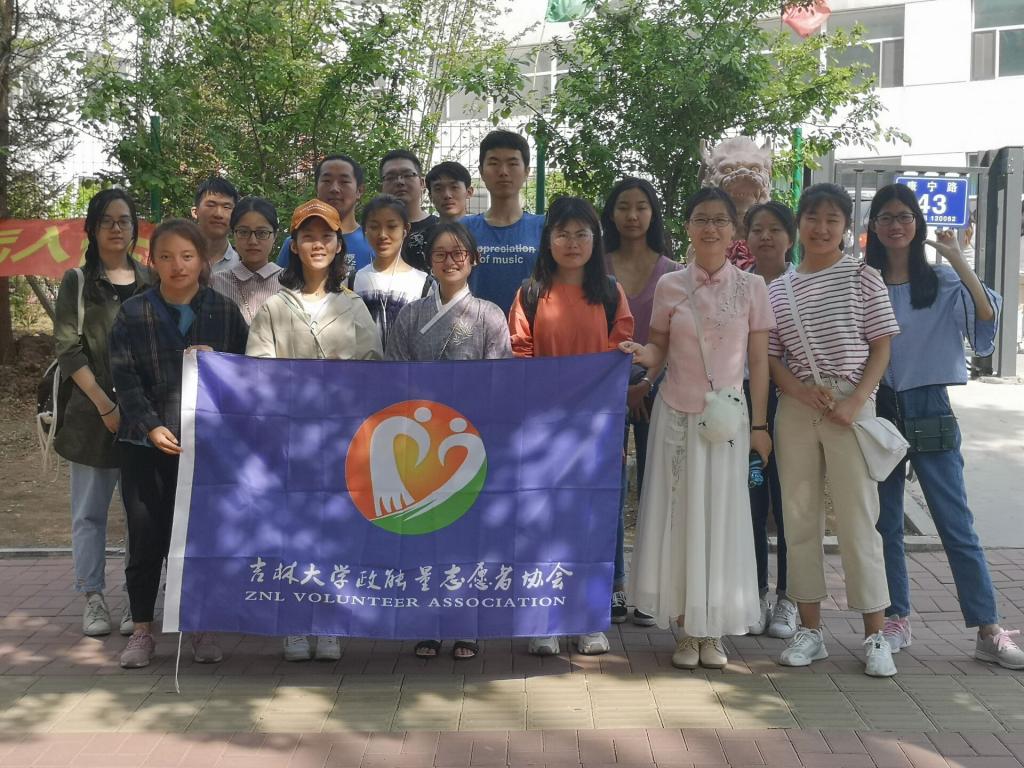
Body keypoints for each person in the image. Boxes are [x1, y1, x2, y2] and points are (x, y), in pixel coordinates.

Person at [866, 183, 1022, 670]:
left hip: (930, 403)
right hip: (878, 407)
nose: (896, 225)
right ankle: (896, 617)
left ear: (917, 224)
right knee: (885, 522)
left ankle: (988, 628)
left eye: (904, 216)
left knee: (956, 523)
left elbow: (985, 318)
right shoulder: (863, 281)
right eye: (886, 217)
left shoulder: (941, 279)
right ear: (874, 226)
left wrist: (958, 259)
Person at [622, 188, 773, 670]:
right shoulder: (669, 285)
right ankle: (688, 630)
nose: (710, 228)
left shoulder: (752, 288)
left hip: (727, 420)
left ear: (734, 231)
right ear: (687, 226)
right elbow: (659, 349)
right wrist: (640, 355)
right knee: (680, 517)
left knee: (723, 517)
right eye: (701, 219)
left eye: (720, 220)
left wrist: (760, 424)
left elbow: (759, 364)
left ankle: (714, 631)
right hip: (675, 416)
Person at [766, 183, 900, 677]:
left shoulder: (863, 276)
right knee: (799, 521)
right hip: (796, 408)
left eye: (832, 220)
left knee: (858, 520)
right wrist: (800, 392)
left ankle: (875, 635)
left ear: (846, 227)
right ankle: (810, 631)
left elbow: (881, 345)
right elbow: (771, 357)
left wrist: (857, 401)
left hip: (851, 405)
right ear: (799, 223)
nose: (821, 228)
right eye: (813, 218)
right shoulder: (777, 289)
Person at [110, 219, 248, 669]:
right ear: (152, 261)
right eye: (166, 257)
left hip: (206, 446)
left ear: (203, 260)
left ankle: (199, 625)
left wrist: (220, 363)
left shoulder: (224, 312)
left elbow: (246, 374)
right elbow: (124, 379)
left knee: (199, 536)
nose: (177, 265)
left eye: (187, 256)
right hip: (144, 445)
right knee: (146, 537)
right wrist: (150, 426)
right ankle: (142, 630)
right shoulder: (133, 313)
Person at [248, 201, 381, 662]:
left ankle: (329, 623)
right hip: (291, 440)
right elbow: (259, 372)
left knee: (335, 531)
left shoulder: (354, 305)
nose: (317, 244)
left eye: (326, 236)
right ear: (294, 244)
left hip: (342, 439)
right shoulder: (274, 307)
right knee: (292, 530)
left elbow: (374, 368)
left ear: (339, 244)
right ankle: (293, 623)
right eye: (308, 236)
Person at [509, 196, 634, 657]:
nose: (573, 242)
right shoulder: (530, 294)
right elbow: (519, 354)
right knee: (540, 524)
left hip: (596, 433)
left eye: (582, 233)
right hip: (541, 433)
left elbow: (619, 355)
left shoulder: (611, 294)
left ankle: (587, 620)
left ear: (595, 240)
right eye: (563, 233)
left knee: (590, 524)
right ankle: (542, 619)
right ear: (548, 240)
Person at [386, 221, 512, 660]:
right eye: (441, 253)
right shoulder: (410, 315)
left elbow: (500, 380)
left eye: (459, 253)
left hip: (470, 441)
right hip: (422, 438)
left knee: (468, 535)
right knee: (426, 533)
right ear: (429, 262)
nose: (450, 260)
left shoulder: (490, 315)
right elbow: (395, 373)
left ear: (473, 260)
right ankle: (427, 623)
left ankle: (465, 625)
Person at [53, 189, 154, 638]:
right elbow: (68, 349)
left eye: (124, 220)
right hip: (92, 417)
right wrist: (105, 405)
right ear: (92, 228)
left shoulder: (151, 280)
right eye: (108, 220)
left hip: (143, 419)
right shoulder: (78, 282)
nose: (117, 228)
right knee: (89, 514)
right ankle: (92, 596)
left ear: (134, 228)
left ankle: (137, 598)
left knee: (140, 515)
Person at [600, 177, 679, 628]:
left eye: (641, 207)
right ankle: (613, 583)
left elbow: (677, 339)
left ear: (653, 214)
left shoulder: (672, 271)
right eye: (623, 206)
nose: (632, 215)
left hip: (659, 392)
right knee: (608, 489)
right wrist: (618, 389)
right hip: (602, 395)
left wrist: (647, 384)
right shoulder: (595, 266)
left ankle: (651, 590)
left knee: (657, 490)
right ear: (611, 214)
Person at [742, 201, 798, 640]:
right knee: (754, 501)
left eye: (775, 229)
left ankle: (790, 598)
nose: (765, 236)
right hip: (745, 403)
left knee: (791, 504)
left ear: (790, 238)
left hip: (793, 404)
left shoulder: (802, 285)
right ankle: (758, 592)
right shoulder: (737, 285)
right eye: (757, 229)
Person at [464, 130, 545, 315]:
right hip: (474, 328)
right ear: (481, 172)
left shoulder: (544, 227)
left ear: (527, 171)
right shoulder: (464, 228)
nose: (503, 172)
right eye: (494, 163)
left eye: (512, 163)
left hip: (532, 330)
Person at [351, 194, 431, 350]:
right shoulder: (353, 281)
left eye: (392, 226)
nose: (382, 235)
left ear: (405, 229)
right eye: (374, 227)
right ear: (365, 230)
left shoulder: (424, 284)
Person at [276, 153, 374, 276]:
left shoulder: (374, 242)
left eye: (344, 182)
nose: (334, 189)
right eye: (327, 181)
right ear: (316, 189)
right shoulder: (295, 243)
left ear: (359, 191)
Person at [211, 196, 283, 324]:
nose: (253, 241)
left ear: (275, 236)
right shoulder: (216, 283)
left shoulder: (290, 283)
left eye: (262, 233)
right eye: (244, 232)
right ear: (233, 234)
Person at [380, 149, 438, 272]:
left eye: (407, 175)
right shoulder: (371, 232)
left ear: (422, 183)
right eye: (391, 177)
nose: (400, 182)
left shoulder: (440, 229)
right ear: (382, 186)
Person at [191, 177, 240, 274]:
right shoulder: (176, 259)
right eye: (211, 205)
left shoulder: (243, 263)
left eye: (226, 207)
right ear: (195, 212)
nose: (218, 214)